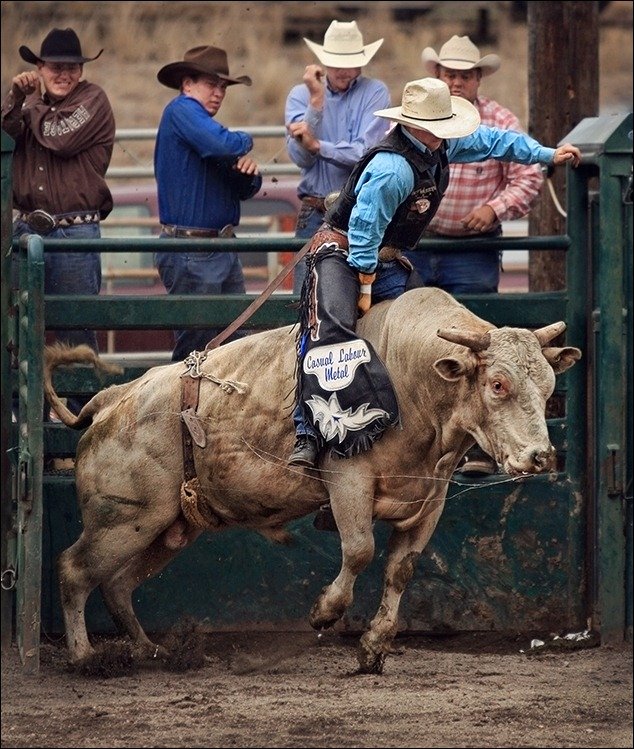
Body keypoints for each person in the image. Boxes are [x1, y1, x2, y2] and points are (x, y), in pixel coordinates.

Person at [288, 77, 581, 468]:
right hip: (343, 255)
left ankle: (423, 432)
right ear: (422, 127)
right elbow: (362, 227)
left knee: (424, 331)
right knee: (333, 333)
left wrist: (544, 154)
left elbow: (494, 141)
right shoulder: (393, 169)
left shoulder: (436, 147)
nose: (449, 133)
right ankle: (308, 432)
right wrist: (364, 279)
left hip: (385, 256)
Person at [409, 35, 545, 477]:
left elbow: (528, 176)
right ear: (439, 77)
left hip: (473, 249)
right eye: (450, 74)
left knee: (486, 352)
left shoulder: (500, 120)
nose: (458, 81)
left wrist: (494, 208)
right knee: (420, 344)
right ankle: (422, 441)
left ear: (478, 78)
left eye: (465, 75)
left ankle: (482, 449)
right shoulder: (421, 120)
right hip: (421, 245)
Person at [1, 27, 115, 364]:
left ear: (81, 71)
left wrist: (29, 102)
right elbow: (4, 136)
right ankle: (22, 414)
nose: (64, 75)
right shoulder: (28, 105)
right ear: (40, 68)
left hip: (74, 232)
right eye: (55, 67)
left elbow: (59, 137)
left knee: (75, 332)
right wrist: (15, 97)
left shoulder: (93, 99)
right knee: (19, 329)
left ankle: (83, 414)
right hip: (25, 230)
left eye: (72, 68)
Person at [154, 45, 262, 362]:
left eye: (223, 87)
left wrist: (248, 171)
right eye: (211, 84)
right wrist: (245, 142)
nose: (218, 93)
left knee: (232, 345)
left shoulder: (202, 130)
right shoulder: (182, 111)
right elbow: (222, 144)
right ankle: (183, 412)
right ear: (187, 85)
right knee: (198, 346)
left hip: (218, 246)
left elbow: (245, 187)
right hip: (192, 248)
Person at [285, 20, 391, 294]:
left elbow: (366, 153)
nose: (344, 70)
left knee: (361, 296)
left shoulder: (375, 91)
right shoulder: (301, 96)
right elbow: (301, 158)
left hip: (359, 210)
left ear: (361, 63)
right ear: (323, 63)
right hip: (315, 209)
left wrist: (318, 145)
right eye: (336, 62)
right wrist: (316, 103)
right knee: (305, 299)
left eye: (351, 62)